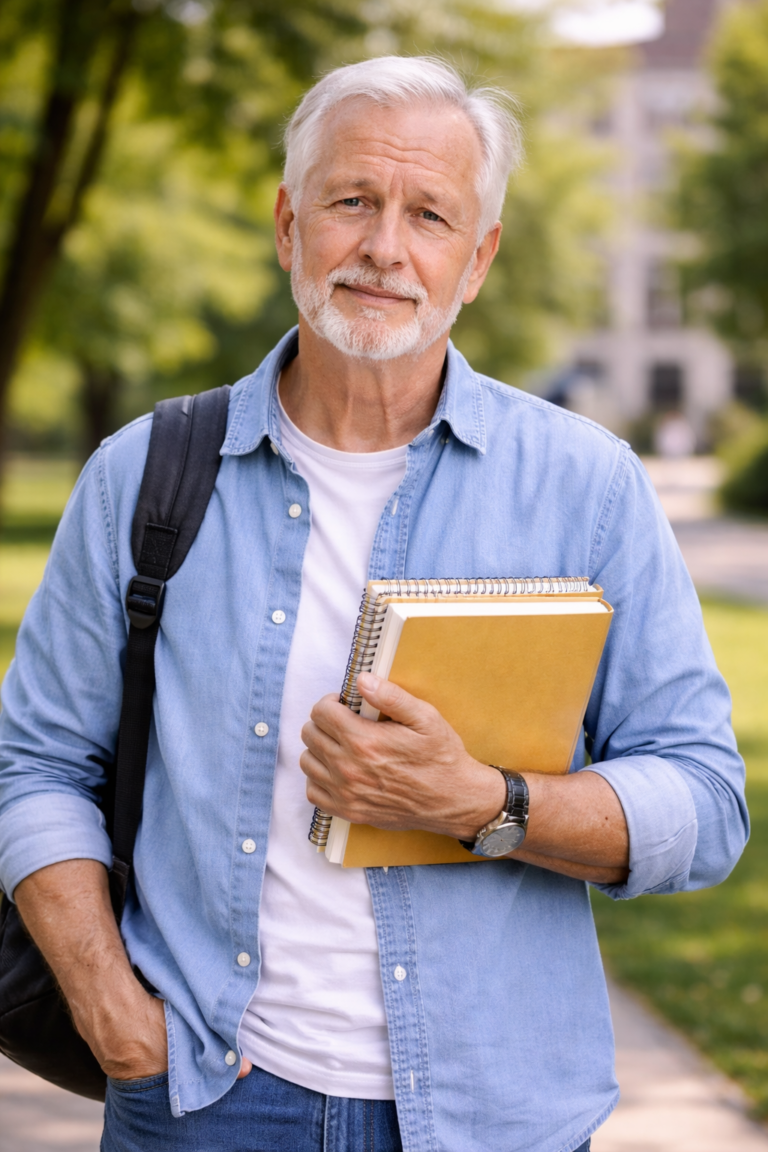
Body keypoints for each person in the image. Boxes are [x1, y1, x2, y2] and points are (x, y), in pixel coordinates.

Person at [0, 56, 747, 1152]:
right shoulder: (141, 475)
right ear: (289, 223)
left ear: (477, 259)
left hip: (496, 1116)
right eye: (352, 201)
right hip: (203, 1100)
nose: (385, 248)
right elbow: (36, 765)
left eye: (430, 214)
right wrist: (114, 1016)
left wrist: (484, 802)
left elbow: (706, 800)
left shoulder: (586, 485)